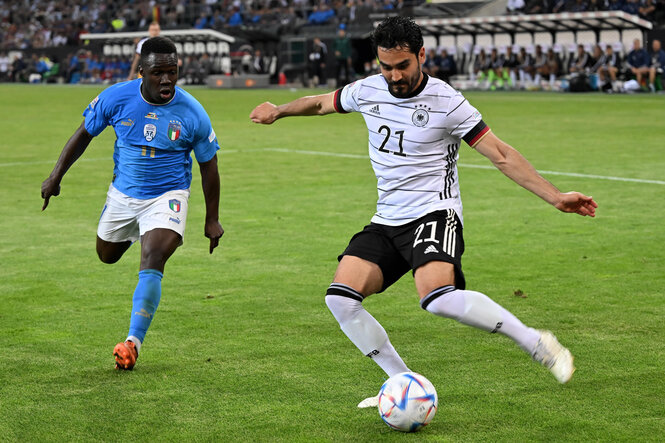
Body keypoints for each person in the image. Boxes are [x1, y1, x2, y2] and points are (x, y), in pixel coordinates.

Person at [250, 16, 596, 407]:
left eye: (403, 66)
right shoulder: (367, 90)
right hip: (387, 218)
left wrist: (555, 197)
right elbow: (319, 102)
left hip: (434, 213)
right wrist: (278, 110)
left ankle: (535, 341)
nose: (394, 76)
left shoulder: (447, 102)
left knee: (436, 297)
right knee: (340, 299)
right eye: (386, 67)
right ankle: (403, 383)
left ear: (421, 56)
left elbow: (499, 154)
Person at [41, 36, 224, 370]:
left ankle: (132, 343)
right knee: (106, 255)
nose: (166, 79)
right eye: (158, 73)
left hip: (168, 197)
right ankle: (137, 231)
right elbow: (84, 133)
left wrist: (212, 219)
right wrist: (55, 177)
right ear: (141, 71)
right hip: (123, 195)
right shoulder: (117, 97)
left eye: (172, 71)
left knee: (153, 255)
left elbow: (208, 165)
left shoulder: (193, 112)